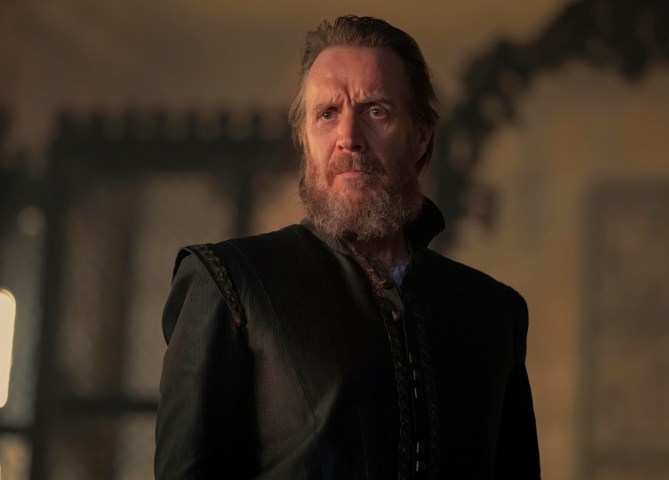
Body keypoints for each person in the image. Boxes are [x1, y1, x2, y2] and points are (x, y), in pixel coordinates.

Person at [155, 15, 540, 480]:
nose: (349, 138)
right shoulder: (228, 283)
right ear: (304, 140)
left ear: (420, 136)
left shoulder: (493, 313)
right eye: (327, 114)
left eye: (376, 111)